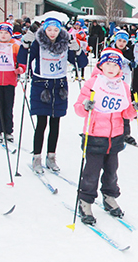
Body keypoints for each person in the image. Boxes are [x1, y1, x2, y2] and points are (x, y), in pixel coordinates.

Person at [74, 48, 138, 225]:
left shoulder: (123, 86)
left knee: (112, 172)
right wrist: (85, 106)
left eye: (115, 65)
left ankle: (109, 197)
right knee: (91, 173)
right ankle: (85, 201)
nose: (111, 68)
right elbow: (78, 108)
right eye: (108, 64)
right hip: (95, 134)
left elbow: (126, 113)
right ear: (101, 65)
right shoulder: (93, 83)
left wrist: (135, 109)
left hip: (115, 136)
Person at [17, 17, 88, 173]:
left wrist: (77, 49)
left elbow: (81, 63)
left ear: (60, 30)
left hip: (59, 86)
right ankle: (37, 158)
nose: (52, 33)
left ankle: (51, 157)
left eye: (56, 30)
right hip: (41, 85)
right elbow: (23, 59)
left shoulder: (64, 43)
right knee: (41, 123)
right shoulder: (38, 43)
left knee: (55, 124)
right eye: (49, 30)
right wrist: (25, 44)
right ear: (44, 30)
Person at [0, 22, 26, 141]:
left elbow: (21, 61)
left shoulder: (15, 46)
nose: (3, 35)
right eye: (1, 33)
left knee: (8, 106)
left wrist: (21, 69)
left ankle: (8, 131)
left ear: (11, 34)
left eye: (6, 33)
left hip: (10, 80)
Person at [111, 30, 136, 146]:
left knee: (124, 107)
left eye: (124, 41)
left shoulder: (129, 52)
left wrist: (133, 65)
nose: (121, 43)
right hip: (110, 84)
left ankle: (126, 133)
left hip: (124, 83)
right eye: (119, 40)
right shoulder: (110, 51)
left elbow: (132, 64)